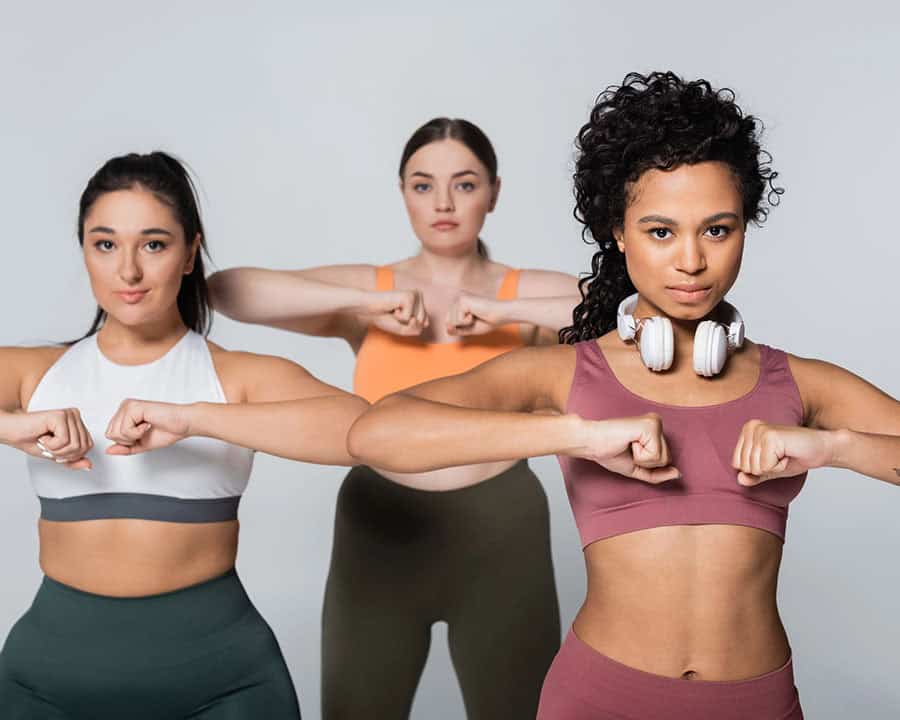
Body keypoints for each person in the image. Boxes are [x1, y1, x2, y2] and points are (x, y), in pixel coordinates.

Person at [346, 74, 900, 720]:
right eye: (661, 232)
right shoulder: (564, 374)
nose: (690, 260)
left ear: (744, 226)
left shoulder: (798, 382)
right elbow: (376, 433)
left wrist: (834, 445)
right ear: (619, 230)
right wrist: (578, 434)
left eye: (717, 230)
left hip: (754, 702)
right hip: (599, 699)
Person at [208, 117, 581, 719]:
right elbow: (227, 291)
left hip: (503, 528)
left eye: (464, 184)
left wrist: (501, 310)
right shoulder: (373, 290)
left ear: (494, 192)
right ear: (402, 191)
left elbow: (627, 312)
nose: (442, 203)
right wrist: (361, 303)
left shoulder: (523, 294)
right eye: (421, 184)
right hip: (380, 526)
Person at [0, 151, 368, 719]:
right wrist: (12, 425)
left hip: (223, 687)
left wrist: (193, 417)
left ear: (191, 251)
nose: (128, 271)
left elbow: (362, 429)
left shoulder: (233, 375)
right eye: (105, 244)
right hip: (46, 687)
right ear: (84, 252)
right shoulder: (36, 373)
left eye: (153, 244)